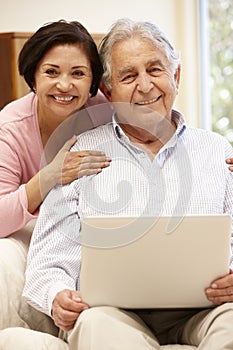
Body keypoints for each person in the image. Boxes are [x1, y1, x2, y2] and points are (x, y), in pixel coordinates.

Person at [23, 18, 233, 349]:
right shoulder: (80, 153)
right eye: (129, 76)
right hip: (112, 313)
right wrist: (56, 296)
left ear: (175, 77)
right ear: (108, 91)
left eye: (155, 70)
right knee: (95, 325)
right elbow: (48, 260)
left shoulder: (217, 150)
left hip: (203, 309)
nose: (146, 86)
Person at [0, 19, 112, 335]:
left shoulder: (107, 113)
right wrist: (49, 176)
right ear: (33, 76)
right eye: (51, 72)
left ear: (93, 82)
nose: (64, 85)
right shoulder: (9, 128)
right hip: (32, 225)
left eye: (78, 73)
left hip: (92, 219)